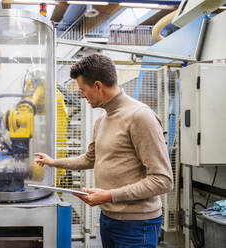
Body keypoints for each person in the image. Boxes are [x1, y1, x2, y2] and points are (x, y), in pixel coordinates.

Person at [35, 54, 173, 247]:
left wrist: (109, 195)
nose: (81, 95)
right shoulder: (102, 120)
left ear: (98, 86)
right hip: (108, 218)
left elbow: (163, 180)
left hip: (137, 224)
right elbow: (89, 159)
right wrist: (53, 162)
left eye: (83, 90)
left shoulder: (140, 117)